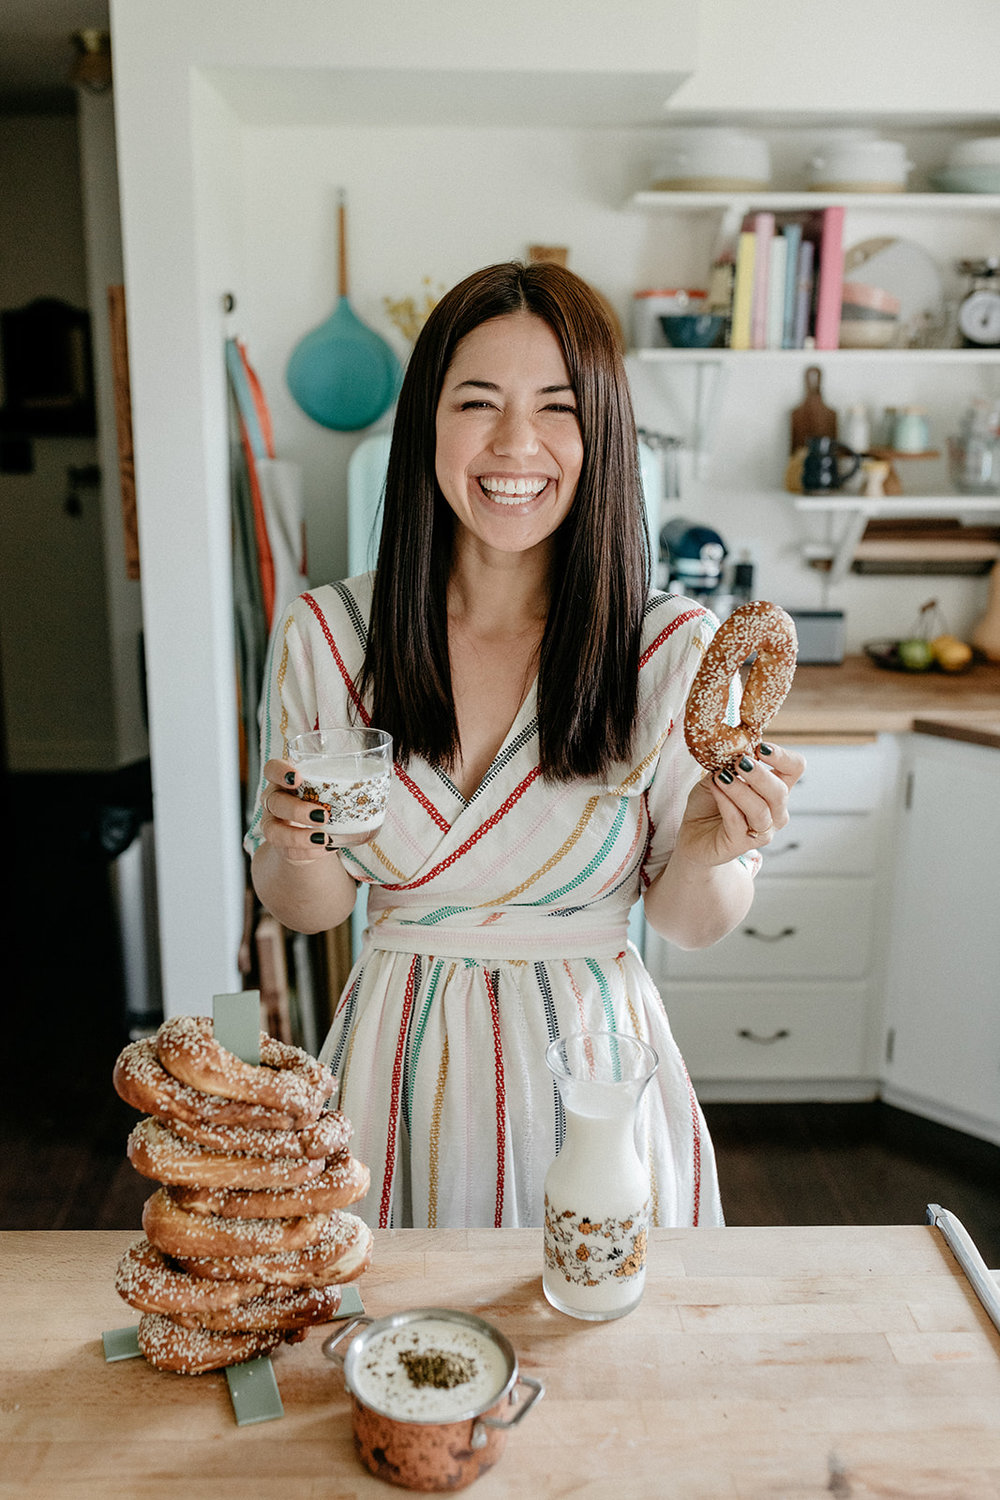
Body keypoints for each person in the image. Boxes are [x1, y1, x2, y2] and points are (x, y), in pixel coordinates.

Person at [246, 260, 805, 1231]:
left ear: (603, 432)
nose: (516, 444)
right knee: (387, 1356)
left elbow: (685, 922)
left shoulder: (669, 651)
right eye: (477, 402)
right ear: (426, 422)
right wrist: (292, 846)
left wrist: (715, 852)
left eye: (557, 407)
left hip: (594, 1082)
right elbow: (311, 908)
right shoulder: (327, 638)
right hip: (394, 1069)